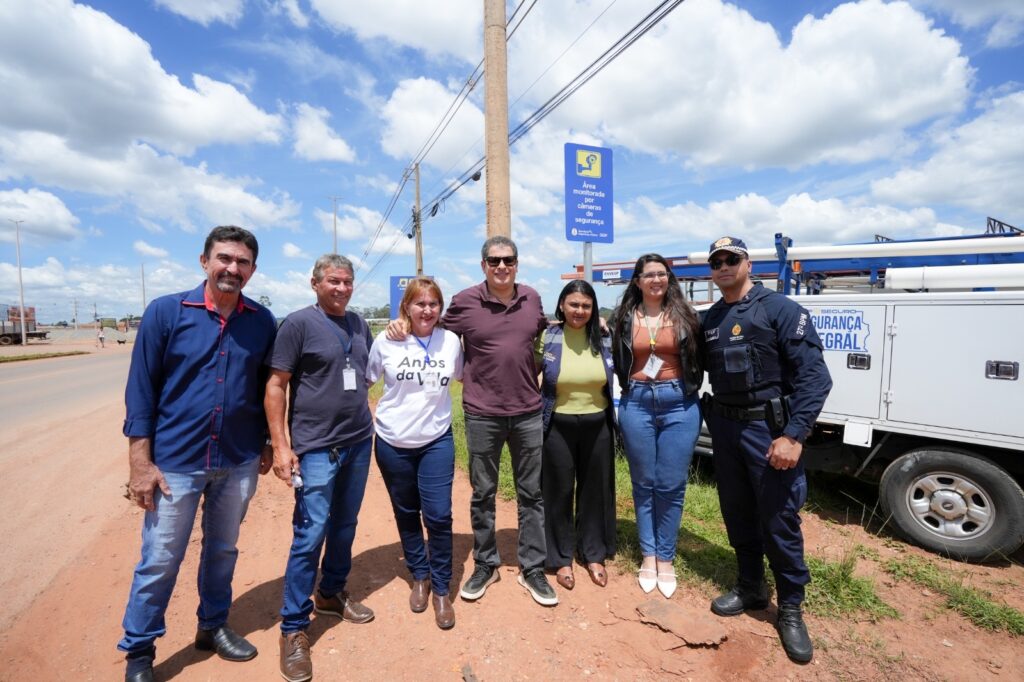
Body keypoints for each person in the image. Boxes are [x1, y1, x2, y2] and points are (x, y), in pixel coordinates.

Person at [118, 226, 277, 682]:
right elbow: (141, 390)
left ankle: (212, 626)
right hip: (175, 463)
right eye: (224, 258)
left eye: (242, 262)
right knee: (161, 556)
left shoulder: (261, 321)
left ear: (252, 270)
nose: (232, 268)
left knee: (223, 550)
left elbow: (267, 387)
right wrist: (140, 462)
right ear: (204, 261)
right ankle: (140, 650)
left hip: (237, 459)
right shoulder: (167, 312)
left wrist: (267, 442)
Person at [386, 236, 557, 607]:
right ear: (483, 265)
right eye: (494, 260)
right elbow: (427, 323)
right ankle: (486, 563)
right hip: (482, 413)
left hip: (528, 411)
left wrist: (597, 329)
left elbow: (542, 335)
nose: (501, 266)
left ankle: (532, 568)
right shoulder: (464, 301)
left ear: (517, 263)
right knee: (483, 493)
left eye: (508, 260)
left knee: (531, 493)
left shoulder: (532, 298)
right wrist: (400, 323)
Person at [700, 236, 832, 664]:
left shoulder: (781, 309)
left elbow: (815, 378)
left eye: (730, 259)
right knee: (737, 511)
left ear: (747, 263)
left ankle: (790, 606)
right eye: (716, 261)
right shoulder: (711, 318)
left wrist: (793, 436)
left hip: (769, 431)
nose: (723, 266)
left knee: (778, 518)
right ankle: (751, 586)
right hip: (725, 429)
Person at [266, 254, 375, 682]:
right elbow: (276, 384)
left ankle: (330, 592)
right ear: (315, 283)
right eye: (334, 281)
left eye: (348, 282)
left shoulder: (360, 324)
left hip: (357, 442)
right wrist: (280, 446)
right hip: (314, 449)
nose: (342, 288)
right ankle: (294, 627)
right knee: (309, 534)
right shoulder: (297, 324)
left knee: (345, 524)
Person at [366, 277, 464, 629]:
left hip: (436, 440)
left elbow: (463, 376)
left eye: (433, 304)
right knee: (406, 512)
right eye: (419, 303)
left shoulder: (451, 341)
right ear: (406, 306)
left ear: (441, 308)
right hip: (393, 442)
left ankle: (441, 588)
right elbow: (365, 381)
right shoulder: (387, 340)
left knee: (438, 515)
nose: (427, 310)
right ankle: (419, 576)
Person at [610, 253, 703, 599]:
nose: (656, 280)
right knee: (643, 483)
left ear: (669, 279)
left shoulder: (686, 315)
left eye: (661, 274)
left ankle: (666, 557)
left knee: (671, 484)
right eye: (648, 275)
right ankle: (648, 554)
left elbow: (701, 358)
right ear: (637, 281)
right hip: (637, 402)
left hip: (679, 402)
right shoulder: (622, 318)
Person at [537, 280, 617, 590]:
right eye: (573, 304)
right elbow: (529, 368)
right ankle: (560, 558)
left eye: (586, 305)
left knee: (594, 490)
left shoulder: (605, 336)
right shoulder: (548, 336)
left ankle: (593, 553)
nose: (579, 311)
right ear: (561, 305)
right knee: (557, 491)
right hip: (558, 422)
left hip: (598, 422)